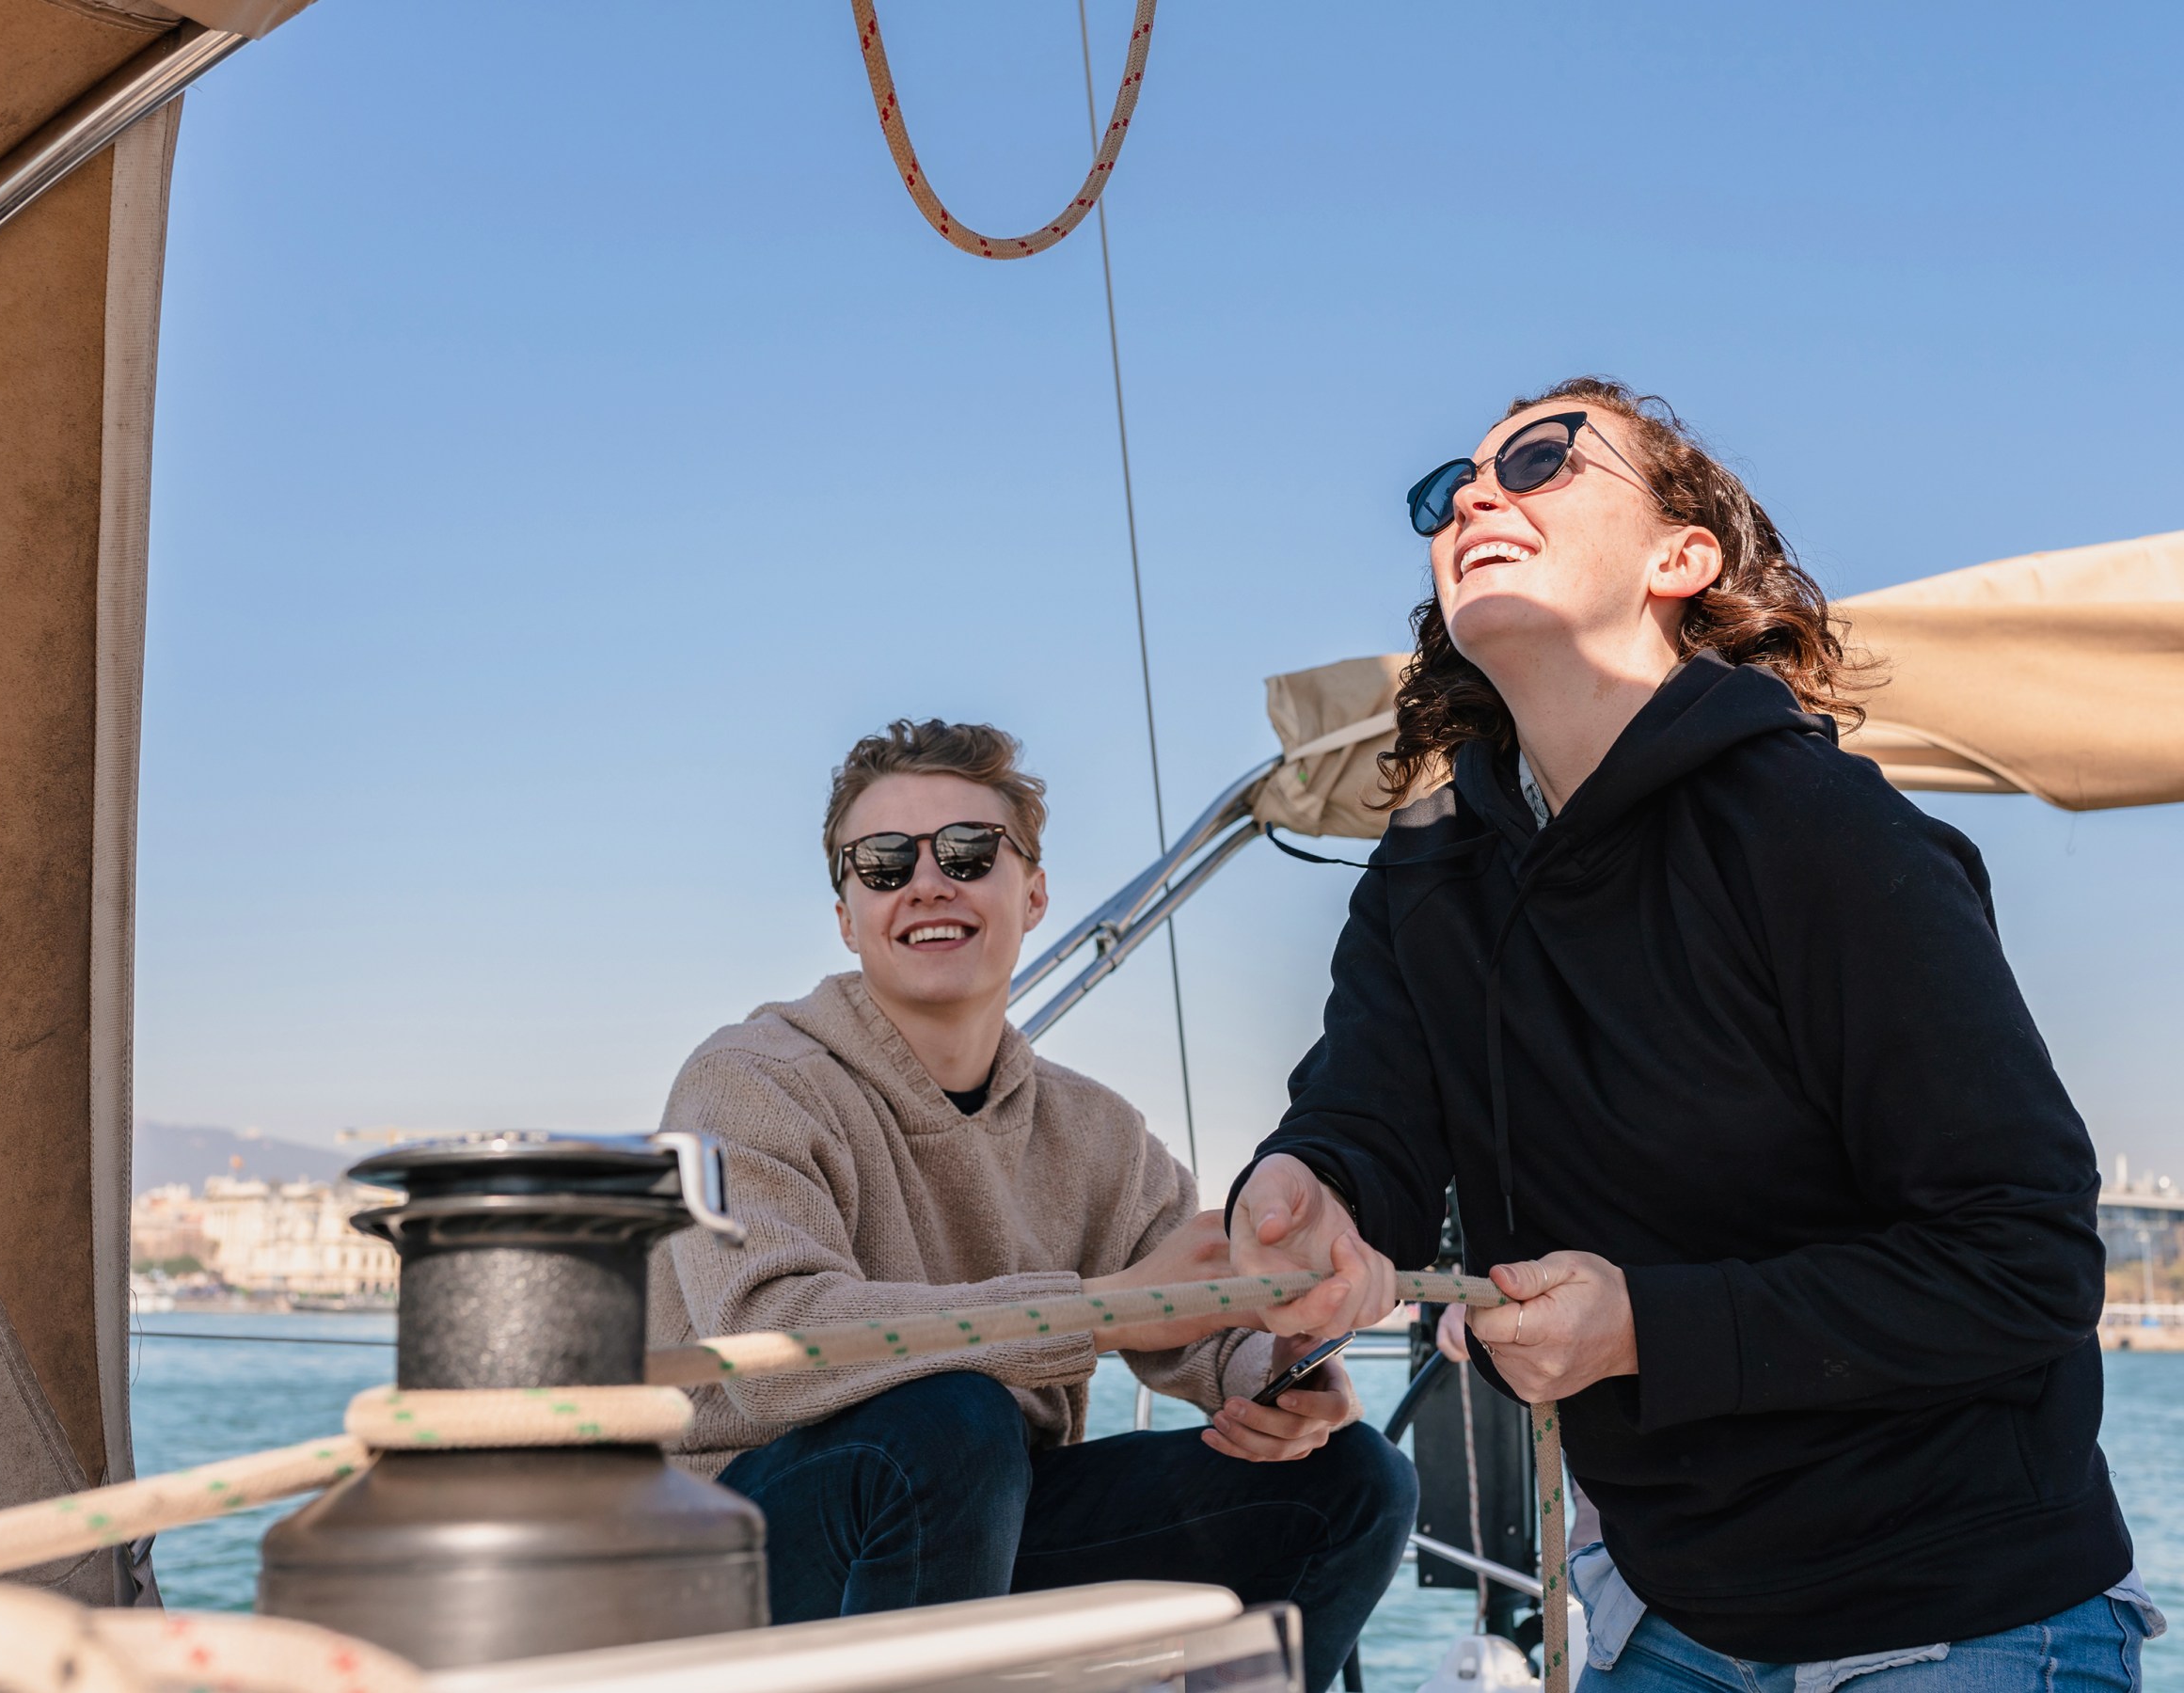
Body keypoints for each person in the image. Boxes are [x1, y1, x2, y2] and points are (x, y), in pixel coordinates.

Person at [1227, 378, 2163, 1690]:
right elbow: (1367, 1120)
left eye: (1543, 459)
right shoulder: (1429, 874)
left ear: (1684, 557)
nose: (1479, 496)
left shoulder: (1824, 836)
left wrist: (1642, 1333)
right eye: (1450, 491)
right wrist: (1306, 1194)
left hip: (1961, 1607)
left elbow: (2027, 1255)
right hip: (1671, 1612)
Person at [648, 718, 1415, 1692]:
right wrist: (1114, 1307)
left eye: (968, 852)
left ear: (1035, 891)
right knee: (949, 1420)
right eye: (881, 863)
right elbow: (770, 1349)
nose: (927, 882)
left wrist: (1284, 1369)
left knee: (1354, 1481)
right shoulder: (747, 1080)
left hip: (983, 1523)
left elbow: (1197, 1312)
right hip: (742, 1551)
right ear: (846, 913)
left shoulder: (1097, 1131)